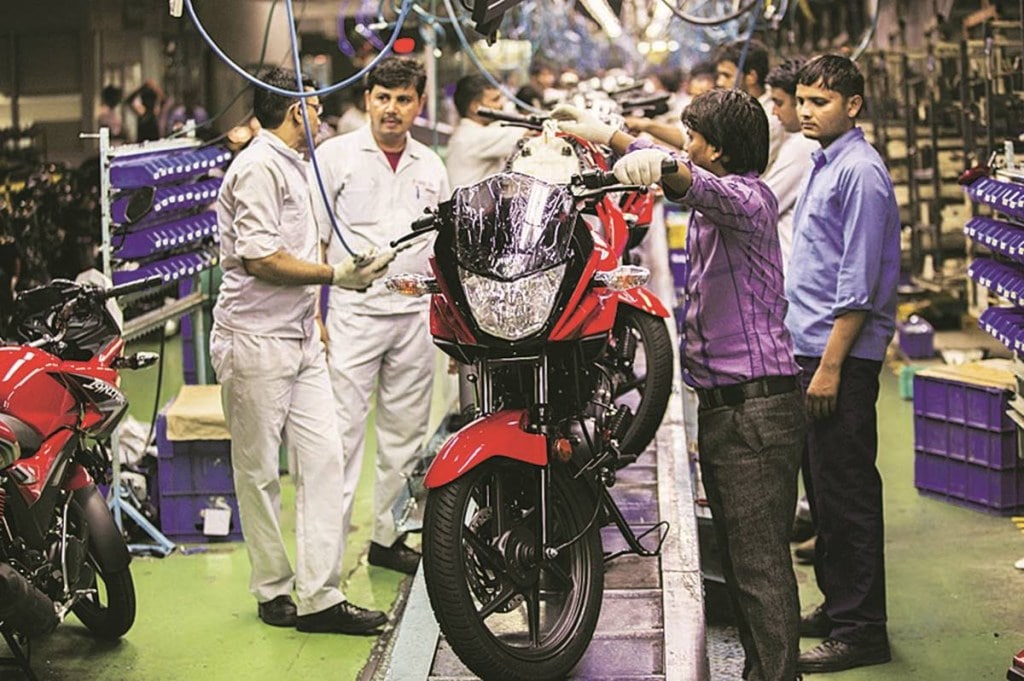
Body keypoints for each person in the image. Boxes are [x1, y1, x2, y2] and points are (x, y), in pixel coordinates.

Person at [553, 88, 805, 681]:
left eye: (692, 137)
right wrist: (607, 135)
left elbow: (698, 182)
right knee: (744, 567)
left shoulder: (749, 201)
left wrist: (666, 166)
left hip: (756, 413)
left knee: (761, 568)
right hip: (728, 409)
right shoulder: (719, 203)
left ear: (715, 148)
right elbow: (675, 166)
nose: (683, 143)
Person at [209, 67, 393, 635]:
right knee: (260, 470)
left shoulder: (297, 165)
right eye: (314, 109)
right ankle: (272, 588)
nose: (321, 118)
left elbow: (299, 244)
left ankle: (321, 597)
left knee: (324, 458)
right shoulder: (259, 168)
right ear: (295, 112)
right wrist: (335, 277)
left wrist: (329, 292)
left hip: (300, 338)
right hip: (254, 340)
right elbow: (261, 257)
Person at [313, 56, 450, 576]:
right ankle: (325, 565)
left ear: (418, 104)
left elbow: (442, 251)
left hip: (413, 317)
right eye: (382, 98)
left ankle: (387, 539)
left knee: (404, 438)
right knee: (341, 438)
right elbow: (316, 240)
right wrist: (316, 315)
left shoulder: (431, 167)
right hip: (353, 316)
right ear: (368, 99)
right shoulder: (336, 157)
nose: (391, 110)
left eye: (403, 99)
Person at [785, 54, 900, 674]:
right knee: (823, 488)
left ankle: (862, 630)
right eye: (802, 100)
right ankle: (838, 604)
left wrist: (830, 366)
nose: (806, 112)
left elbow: (857, 285)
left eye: (819, 102)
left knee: (848, 491)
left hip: (840, 360)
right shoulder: (824, 162)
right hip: (811, 349)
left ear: (853, 105)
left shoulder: (861, 173)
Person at [763, 58, 819, 271]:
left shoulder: (803, 145)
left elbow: (761, 206)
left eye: (779, 103)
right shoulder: (800, 142)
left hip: (792, 273)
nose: (775, 113)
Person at [446, 74, 525, 189]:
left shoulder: (477, 131)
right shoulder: (472, 137)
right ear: (475, 107)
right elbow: (529, 133)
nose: (501, 105)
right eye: (495, 100)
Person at [715, 39, 784, 171]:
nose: (720, 82)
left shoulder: (769, 119)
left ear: (751, 76)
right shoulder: (737, 110)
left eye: (726, 75)